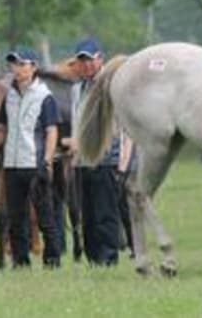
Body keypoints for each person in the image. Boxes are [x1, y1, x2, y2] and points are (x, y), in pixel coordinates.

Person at [0, 47, 61, 269]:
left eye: (22, 64)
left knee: (44, 218)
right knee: (15, 219)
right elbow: (4, 131)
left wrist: (47, 161)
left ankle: (52, 261)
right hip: (12, 166)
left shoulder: (45, 97)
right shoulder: (10, 97)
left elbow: (51, 131)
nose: (16, 69)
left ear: (33, 67)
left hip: (35, 165)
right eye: (14, 64)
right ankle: (21, 261)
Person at [70, 38, 123, 266]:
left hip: (105, 157)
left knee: (105, 212)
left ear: (101, 59)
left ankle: (108, 258)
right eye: (82, 61)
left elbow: (116, 124)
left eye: (90, 60)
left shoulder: (111, 85)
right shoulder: (76, 89)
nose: (87, 65)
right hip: (82, 160)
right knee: (88, 214)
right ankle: (93, 259)